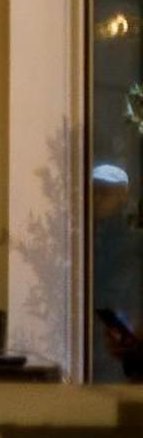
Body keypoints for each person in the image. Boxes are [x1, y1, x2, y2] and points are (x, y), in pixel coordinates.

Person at [92, 163, 140, 382]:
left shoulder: (132, 241)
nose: (97, 199)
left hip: (121, 336)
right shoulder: (81, 237)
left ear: (122, 196)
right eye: (94, 191)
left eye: (105, 192)